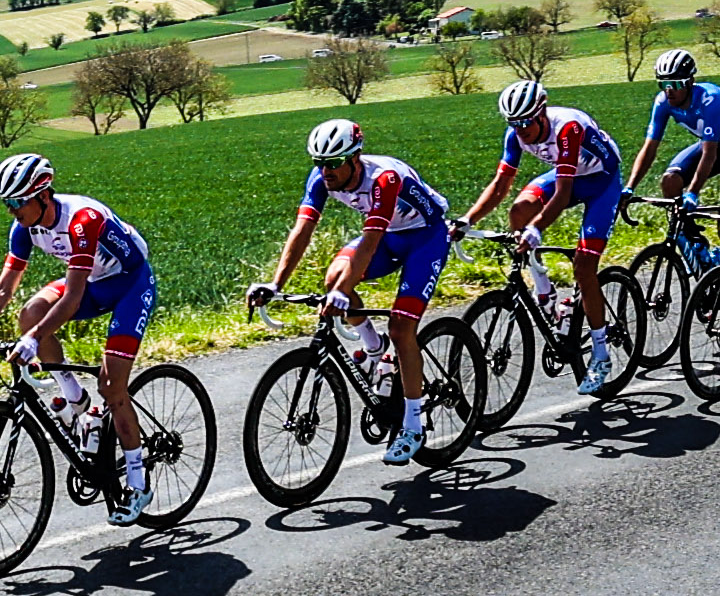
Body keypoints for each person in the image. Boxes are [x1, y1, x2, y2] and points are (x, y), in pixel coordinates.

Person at [0, 152, 160, 522]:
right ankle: (75, 400)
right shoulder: (23, 228)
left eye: (18, 202)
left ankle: (138, 482)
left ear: (43, 196)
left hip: (130, 284)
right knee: (30, 312)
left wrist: (33, 340)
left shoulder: (82, 221)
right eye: (7, 203)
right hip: (96, 283)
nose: (12, 210)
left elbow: (73, 297)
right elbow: (4, 289)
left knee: (113, 387)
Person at [258, 117, 457, 463]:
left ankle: (412, 425)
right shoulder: (321, 179)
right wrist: (276, 284)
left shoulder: (383, 179)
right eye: (320, 164)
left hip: (425, 237)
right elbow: (302, 231)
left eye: (334, 163)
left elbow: (371, 240)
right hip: (391, 237)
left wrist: (343, 290)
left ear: (355, 158)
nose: (326, 172)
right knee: (333, 278)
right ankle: (375, 348)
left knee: (401, 327)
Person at [456, 77, 628, 391]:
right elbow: (500, 186)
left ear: (542, 112)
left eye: (526, 124)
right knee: (518, 210)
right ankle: (545, 295)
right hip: (570, 174)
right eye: (514, 124)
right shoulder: (516, 133)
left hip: (601, 180)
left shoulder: (568, 128)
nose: (521, 131)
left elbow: (562, 195)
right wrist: (467, 220)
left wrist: (537, 229)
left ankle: (601, 354)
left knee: (584, 266)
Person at [637, 45, 720, 213]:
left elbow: (710, 153)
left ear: (690, 82)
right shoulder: (662, 102)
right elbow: (650, 147)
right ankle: (690, 237)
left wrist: (693, 193)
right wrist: (629, 188)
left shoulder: (710, 98)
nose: (669, 90)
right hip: (708, 148)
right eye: (664, 83)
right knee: (670, 181)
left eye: (675, 83)